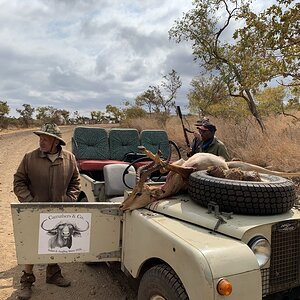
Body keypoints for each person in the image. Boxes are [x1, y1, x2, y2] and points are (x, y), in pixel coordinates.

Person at [13, 123, 81, 300]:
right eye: (40, 138)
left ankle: (53, 274)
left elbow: (76, 182)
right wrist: (30, 201)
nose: (41, 141)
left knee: (54, 241)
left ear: (56, 142)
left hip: (59, 210)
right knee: (31, 243)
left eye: (46, 138)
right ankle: (27, 280)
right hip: (34, 210)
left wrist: (68, 200)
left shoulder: (69, 158)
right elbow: (19, 181)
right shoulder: (29, 158)